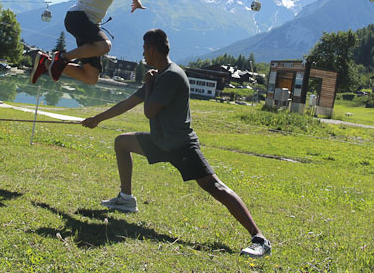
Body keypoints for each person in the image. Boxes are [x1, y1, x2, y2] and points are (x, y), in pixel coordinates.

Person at [81, 29, 272, 258]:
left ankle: (260, 239)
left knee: (215, 187)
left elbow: (150, 112)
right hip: (160, 142)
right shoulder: (159, 75)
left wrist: (149, 83)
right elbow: (128, 103)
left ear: (152, 49)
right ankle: (126, 199)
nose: (143, 54)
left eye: (144, 49)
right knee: (122, 143)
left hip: (181, 146)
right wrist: (96, 120)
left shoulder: (170, 75)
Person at [7, 0, 145, 85]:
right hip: (77, 17)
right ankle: (61, 57)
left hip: (92, 24)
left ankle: (46, 63)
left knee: (91, 78)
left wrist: (136, 1)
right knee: (104, 46)